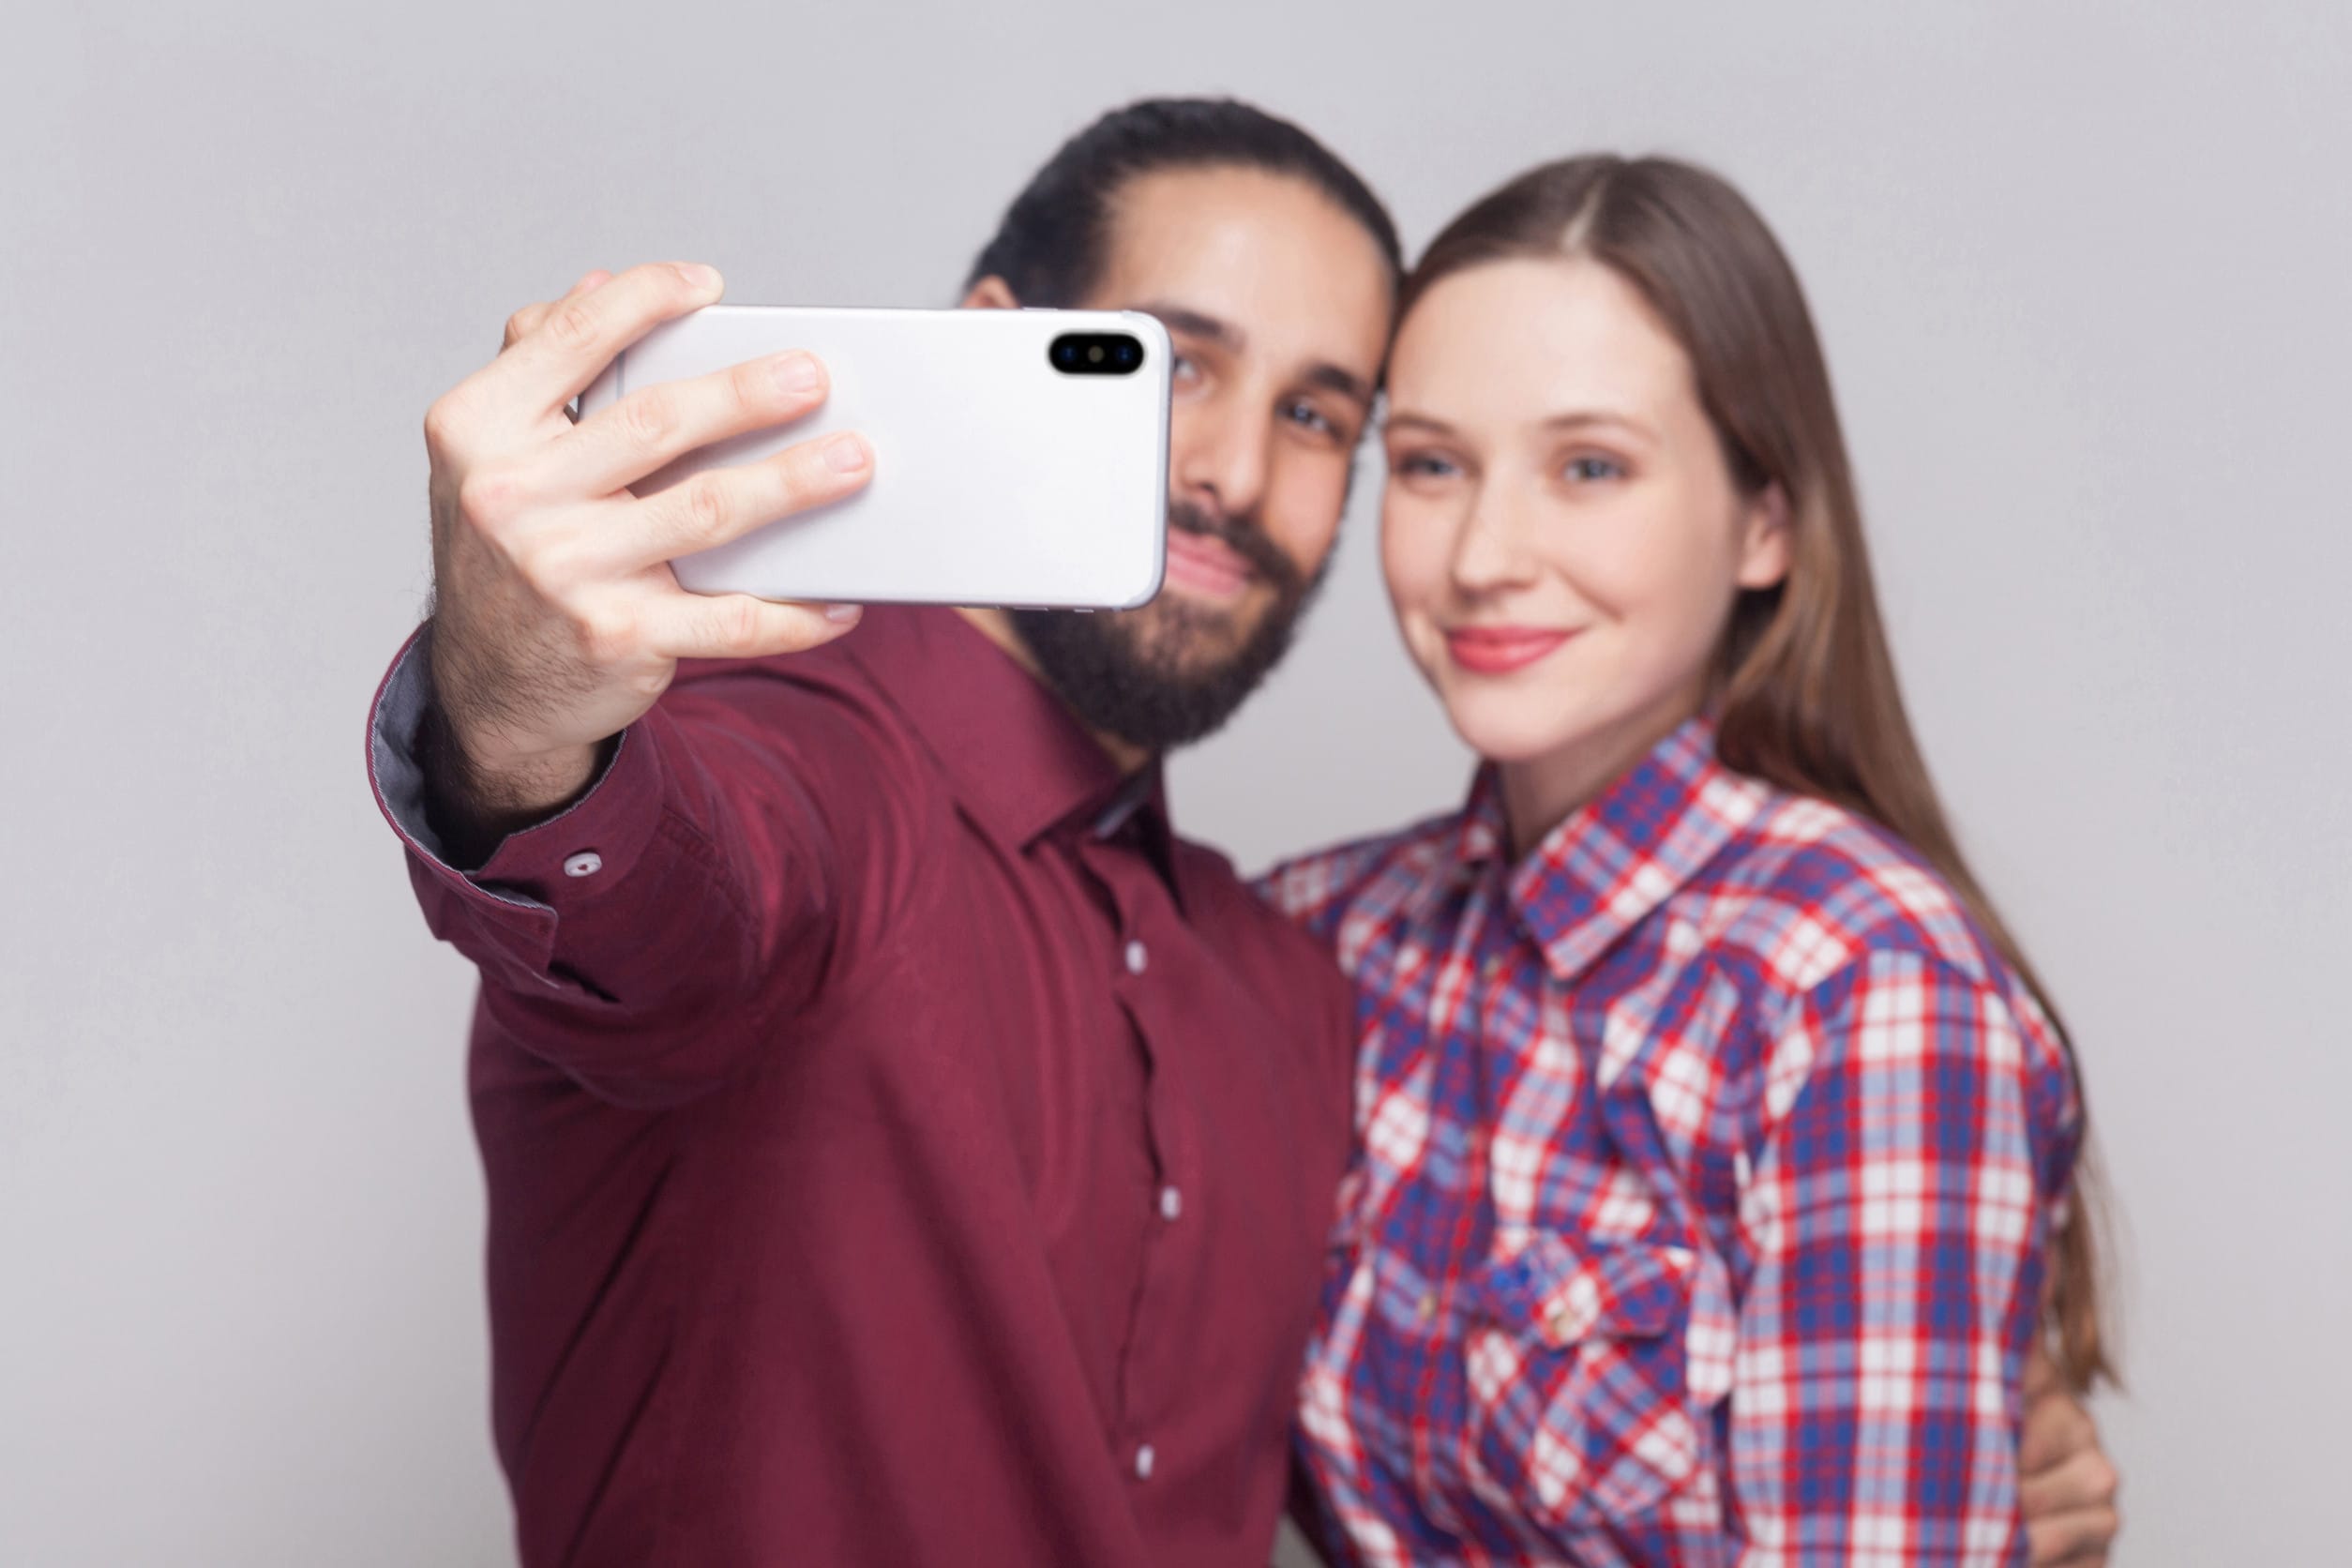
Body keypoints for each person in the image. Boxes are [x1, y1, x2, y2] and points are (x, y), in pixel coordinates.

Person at [367, 99, 2118, 1565]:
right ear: (992, 349)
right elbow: (665, 903)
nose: (1226, 470)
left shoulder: (1289, 969)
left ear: (1764, 524)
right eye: (1169, 367)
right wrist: (523, 722)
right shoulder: (802, 773)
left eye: (1321, 419)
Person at [1262, 155, 2118, 1565]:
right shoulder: (1325, 937)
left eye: (1588, 467)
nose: (1484, 552)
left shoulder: (1861, 994)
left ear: (1765, 519)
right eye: (1430, 465)